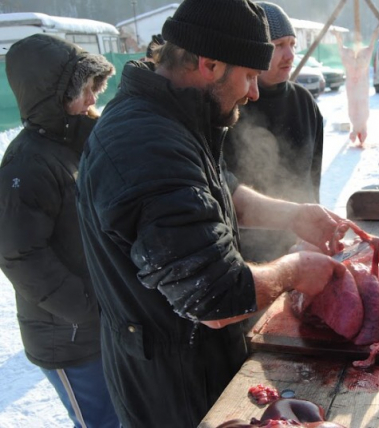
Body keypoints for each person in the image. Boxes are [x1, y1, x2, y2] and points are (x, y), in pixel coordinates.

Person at [75, 0, 345, 426]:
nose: (254, 92)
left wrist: (293, 215)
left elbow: (223, 190)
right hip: (173, 385)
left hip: (198, 362)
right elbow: (217, 299)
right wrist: (295, 270)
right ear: (209, 63)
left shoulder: (173, 115)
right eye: (250, 75)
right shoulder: (145, 145)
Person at [0, 34, 118, 427]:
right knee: (99, 421)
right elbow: (19, 255)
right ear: (51, 95)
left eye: (93, 88)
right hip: (68, 336)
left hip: (100, 323)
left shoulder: (78, 141)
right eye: (82, 90)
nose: (91, 99)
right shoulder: (25, 163)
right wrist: (86, 307)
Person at [224, 1, 324, 263]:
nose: (290, 55)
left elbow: (313, 177)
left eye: (292, 44)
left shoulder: (305, 103)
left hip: (301, 244)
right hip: (246, 253)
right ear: (254, 48)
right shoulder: (231, 105)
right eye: (278, 45)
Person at [334, 24, 379, 147]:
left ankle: (356, 131)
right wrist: (374, 36)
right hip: (358, 87)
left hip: (355, 87)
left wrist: (338, 40)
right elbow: (370, 47)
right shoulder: (360, 56)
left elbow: (342, 50)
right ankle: (356, 131)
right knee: (358, 106)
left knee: (356, 106)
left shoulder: (352, 58)